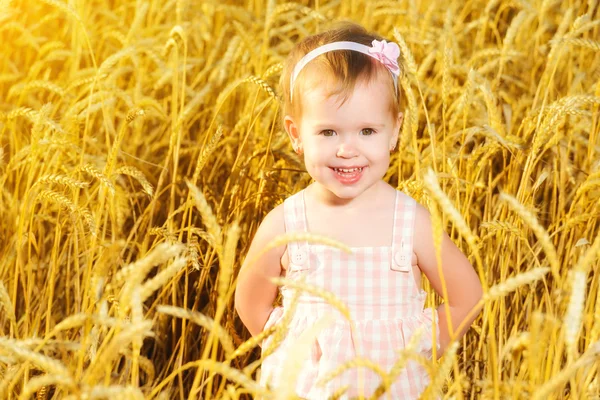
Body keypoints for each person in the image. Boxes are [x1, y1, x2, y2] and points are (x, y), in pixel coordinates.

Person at [234, 21, 483, 399]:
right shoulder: (287, 223)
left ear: (395, 130)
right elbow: (250, 301)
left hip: (392, 386)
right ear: (296, 134)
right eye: (328, 132)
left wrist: (418, 347)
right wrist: (288, 350)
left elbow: (467, 296)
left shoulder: (409, 222)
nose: (347, 149)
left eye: (367, 131)